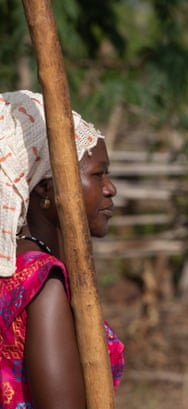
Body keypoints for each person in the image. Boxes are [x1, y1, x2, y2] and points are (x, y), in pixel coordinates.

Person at [0, 90, 124, 409]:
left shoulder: (14, 267)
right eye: (98, 174)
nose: (110, 189)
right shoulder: (42, 281)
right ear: (45, 186)